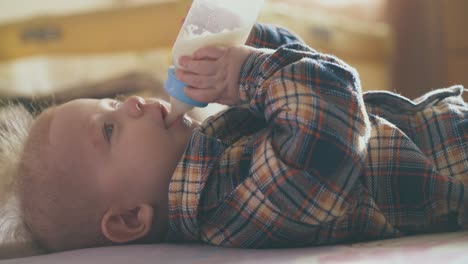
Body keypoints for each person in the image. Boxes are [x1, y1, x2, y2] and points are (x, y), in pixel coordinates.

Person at [11, 23, 467, 253]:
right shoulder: (226, 207)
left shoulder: (218, 153)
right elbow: (328, 127)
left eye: (115, 100)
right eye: (109, 130)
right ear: (130, 219)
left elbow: (311, 75)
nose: (132, 103)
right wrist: (251, 71)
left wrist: (258, 40)